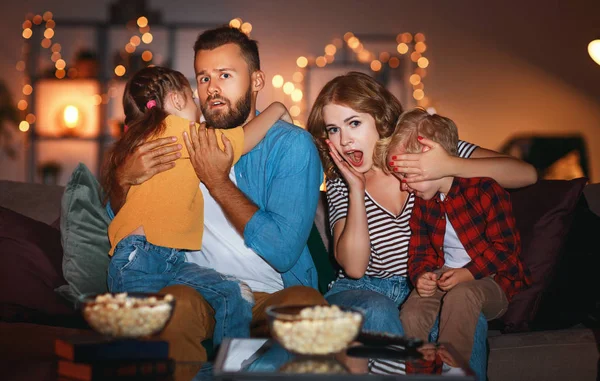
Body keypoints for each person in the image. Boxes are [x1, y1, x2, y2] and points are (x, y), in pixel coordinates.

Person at [106, 27, 326, 361]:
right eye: (204, 78)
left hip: (272, 294)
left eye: (225, 75)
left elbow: (282, 252)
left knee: (307, 310)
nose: (213, 89)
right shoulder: (180, 139)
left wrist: (217, 181)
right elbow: (121, 222)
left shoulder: (291, 145)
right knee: (174, 305)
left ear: (256, 81)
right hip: (199, 291)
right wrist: (123, 179)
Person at [306, 71, 537, 378]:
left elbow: (526, 174)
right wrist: (356, 189)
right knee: (379, 310)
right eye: (333, 129)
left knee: (468, 318)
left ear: (380, 118)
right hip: (361, 290)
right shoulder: (340, 185)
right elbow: (355, 268)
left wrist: (449, 164)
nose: (344, 139)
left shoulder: (422, 151)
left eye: (354, 123)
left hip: (425, 288)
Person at [380, 108, 531, 369]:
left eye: (408, 175)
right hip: (446, 273)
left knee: (462, 295)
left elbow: (505, 249)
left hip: (492, 280)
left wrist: (468, 274)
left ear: (434, 161)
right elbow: (419, 251)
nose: (404, 185)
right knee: (413, 310)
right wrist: (421, 275)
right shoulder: (423, 203)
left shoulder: (485, 189)